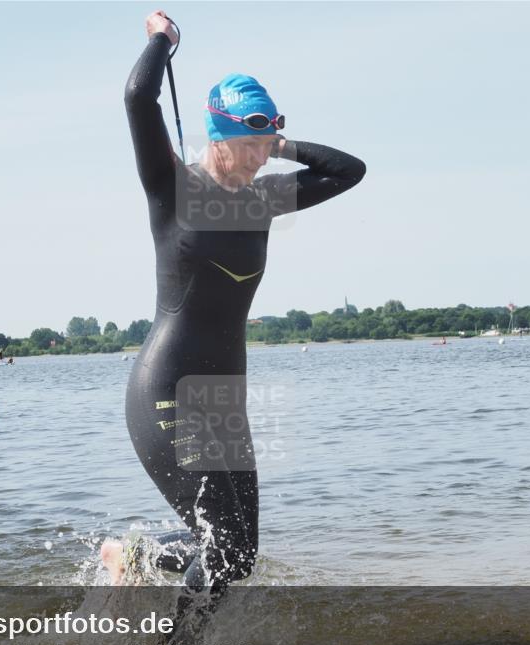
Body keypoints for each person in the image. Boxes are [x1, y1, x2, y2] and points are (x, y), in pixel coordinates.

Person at [102, 11, 365, 597]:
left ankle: (134, 554)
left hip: (224, 397)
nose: (261, 160)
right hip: (166, 389)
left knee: (237, 554)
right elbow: (138, 98)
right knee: (220, 547)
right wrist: (160, 40)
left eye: (266, 149)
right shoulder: (174, 188)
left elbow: (350, 171)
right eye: (249, 147)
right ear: (216, 138)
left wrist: (282, 140)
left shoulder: (263, 199)